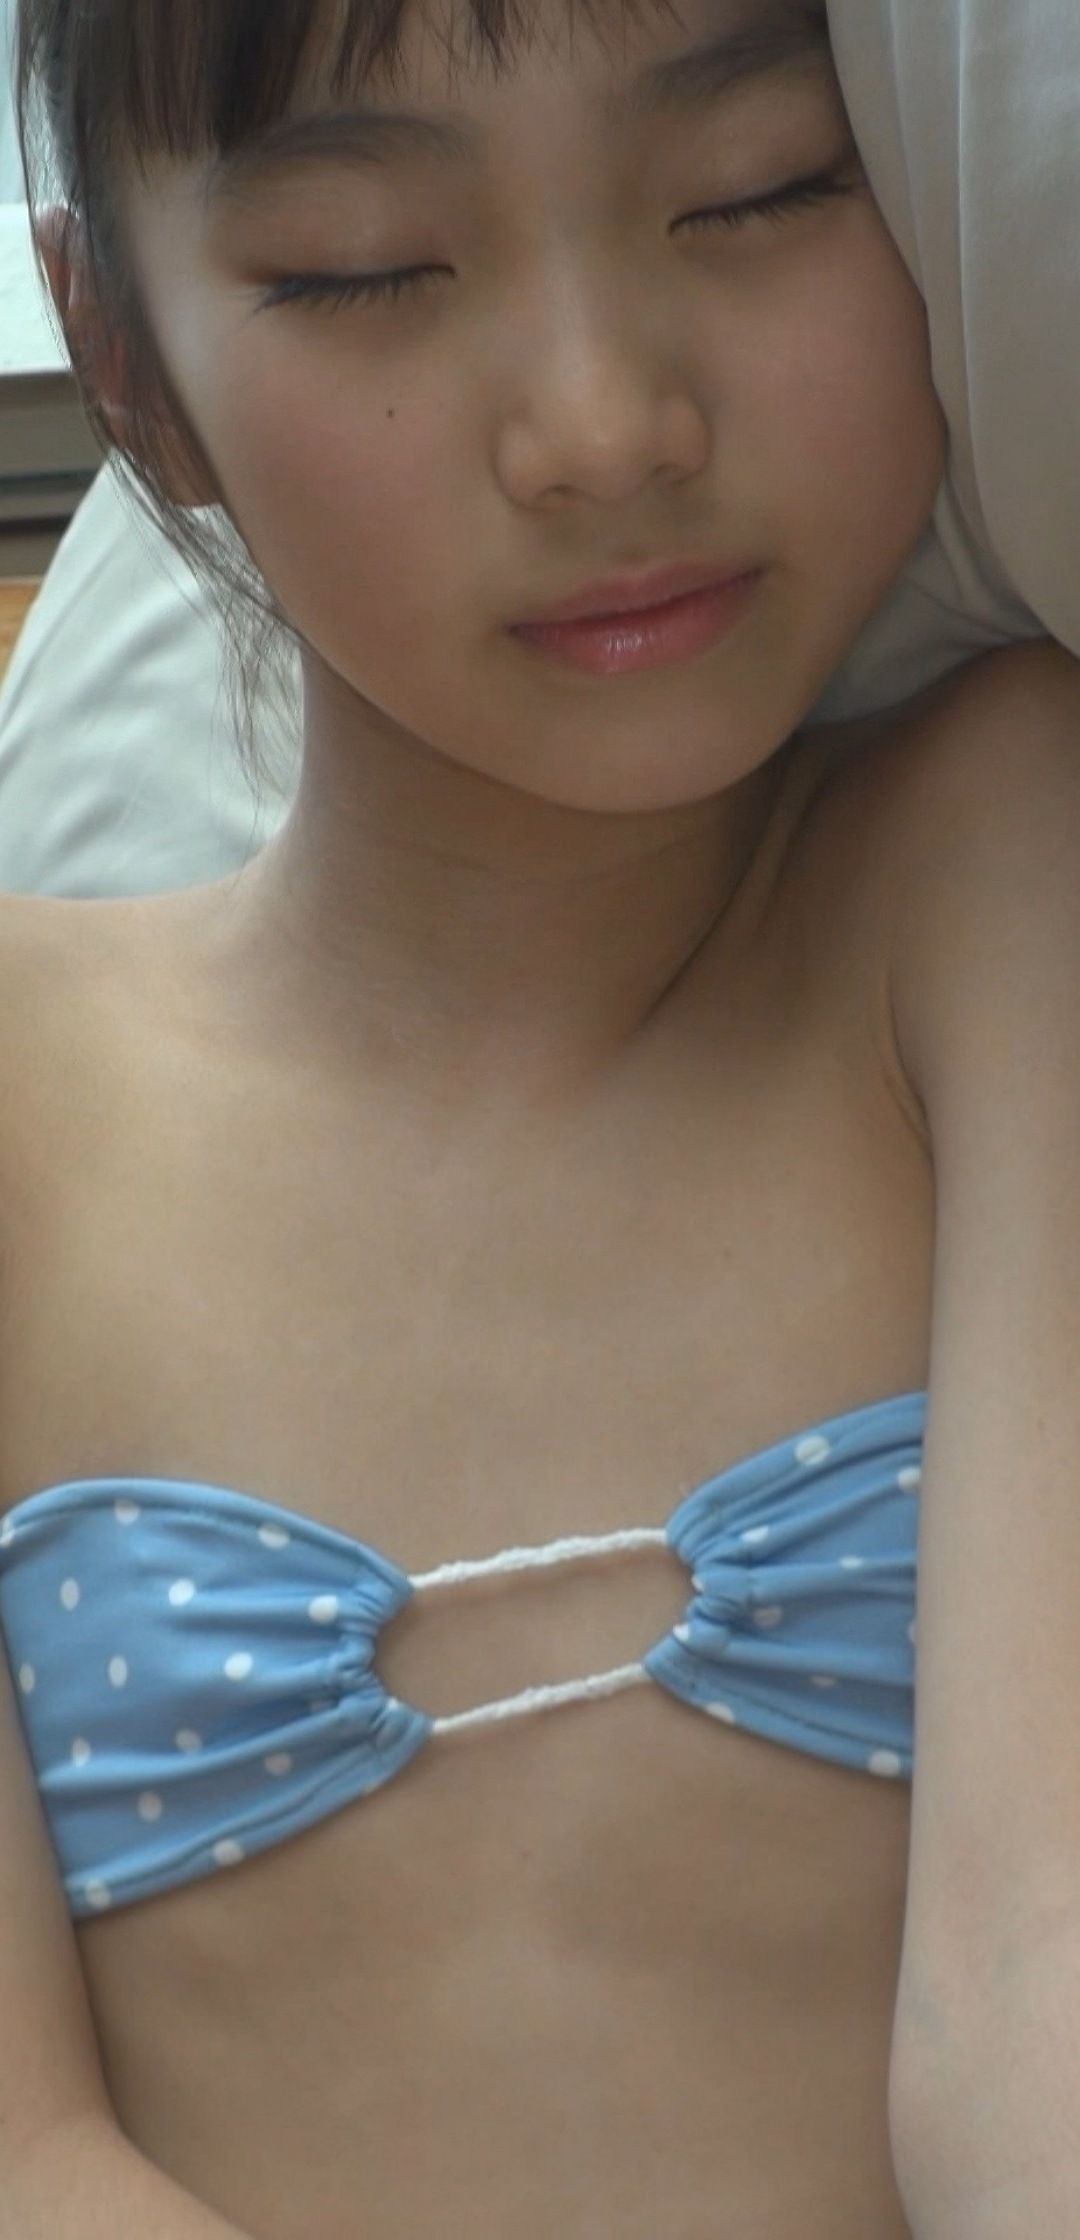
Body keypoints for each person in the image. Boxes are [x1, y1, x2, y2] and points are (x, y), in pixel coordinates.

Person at [2, 3, 1080, 2237]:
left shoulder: (996, 871)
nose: (606, 426)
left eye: (760, 191)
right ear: (124, 362)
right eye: (370, 266)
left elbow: (1034, 2013)